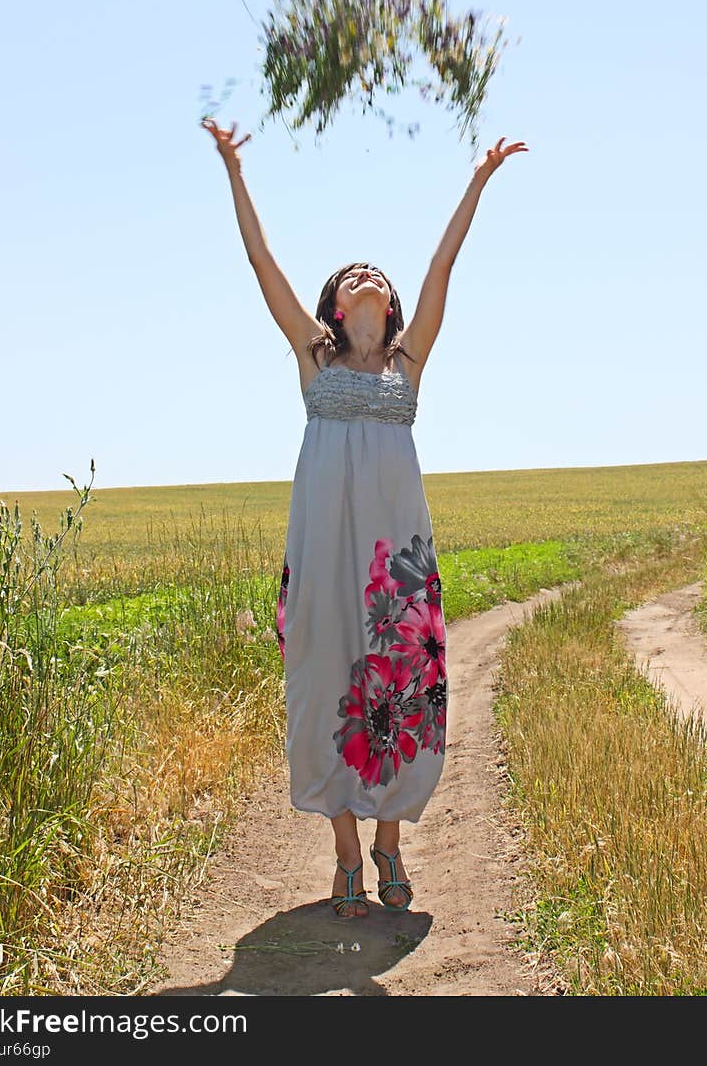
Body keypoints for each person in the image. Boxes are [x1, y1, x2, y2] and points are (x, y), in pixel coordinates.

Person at [202, 117, 527, 916]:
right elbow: (260, 261)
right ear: (336, 308)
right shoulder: (313, 359)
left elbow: (444, 262)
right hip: (323, 554)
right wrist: (235, 170)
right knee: (322, 686)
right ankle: (346, 852)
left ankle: (388, 844)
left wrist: (479, 179)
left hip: (395, 565)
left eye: (376, 271)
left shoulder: (408, 363)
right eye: (352, 274)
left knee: (404, 693)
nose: (368, 274)